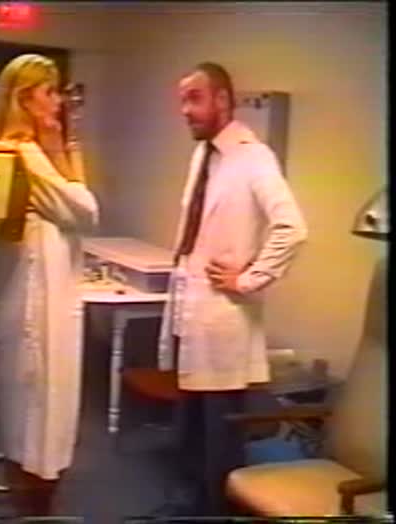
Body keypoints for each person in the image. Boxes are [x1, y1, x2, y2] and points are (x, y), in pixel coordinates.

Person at [157, 62, 308, 515]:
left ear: (223, 99)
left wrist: (249, 278)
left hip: (223, 321)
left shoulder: (253, 157)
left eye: (194, 98)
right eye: (182, 100)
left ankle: (215, 513)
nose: (185, 110)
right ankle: (188, 509)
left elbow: (292, 228)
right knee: (188, 436)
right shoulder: (203, 156)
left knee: (219, 444)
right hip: (190, 316)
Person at [0, 54, 99, 516]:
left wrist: (63, 146)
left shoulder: (28, 152)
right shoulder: (24, 154)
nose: (59, 101)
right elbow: (86, 210)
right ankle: (36, 498)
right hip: (37, 292)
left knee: (38, 395)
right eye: (50, 92)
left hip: (41, 285)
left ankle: (36, 491)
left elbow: (78, 204)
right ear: (24, 98)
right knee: (41, 395)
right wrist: (61, 146)